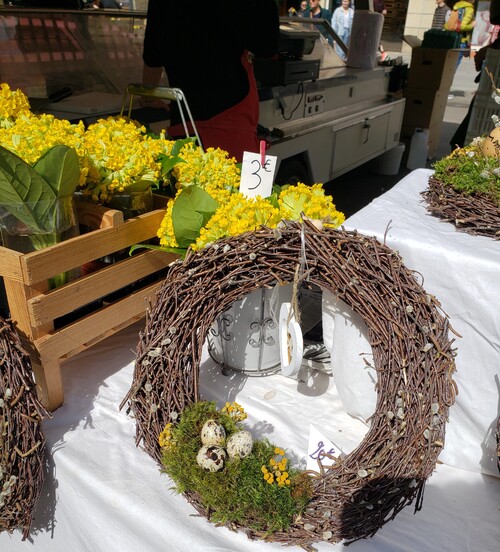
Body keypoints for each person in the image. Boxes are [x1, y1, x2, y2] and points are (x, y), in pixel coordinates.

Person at [141, 1, 279, 162]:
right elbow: (268, 47)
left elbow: (152, 56)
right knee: (233, 186)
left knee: (183, 183)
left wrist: (149, 94)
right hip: (232, 123)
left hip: (183, 125)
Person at [445, 1, 476, 66]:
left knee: (447, 65)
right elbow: (462, 26)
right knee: (453, 66)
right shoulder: (469, 9)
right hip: (461, 40)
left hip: (452, 38)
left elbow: (447, 25)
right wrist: (472, 25)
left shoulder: (456, 6)